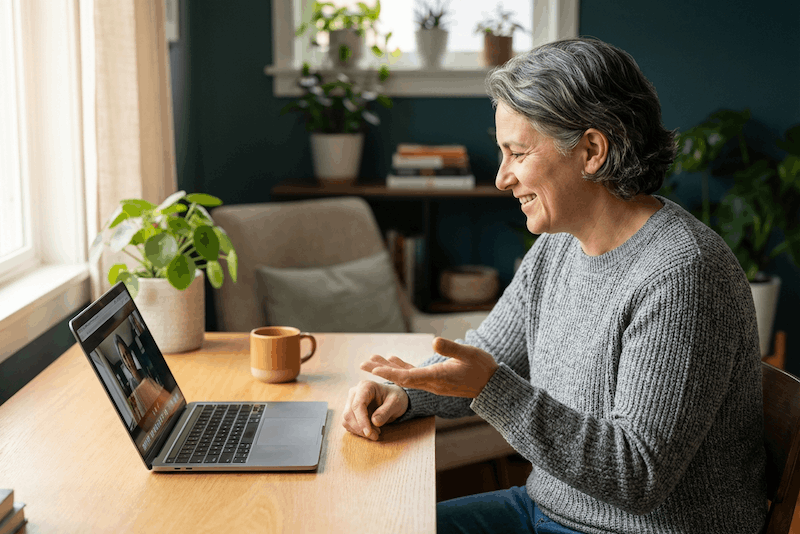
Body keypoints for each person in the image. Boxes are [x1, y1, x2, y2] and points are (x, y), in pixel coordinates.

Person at [342, 38, 767, 534]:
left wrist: (492, 388)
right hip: (545, 512)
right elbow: (485, 355)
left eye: (517, 153)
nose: (502, 179)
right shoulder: (560, 246)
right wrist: (405, 391)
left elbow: (637, 474)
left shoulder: (683, 275)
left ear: (591, 150)